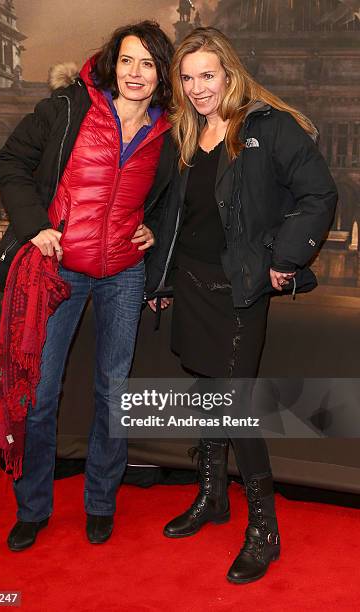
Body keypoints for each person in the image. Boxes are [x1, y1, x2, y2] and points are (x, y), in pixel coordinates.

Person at [145, 27, 337, 584]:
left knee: (234, 406)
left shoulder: (268, 127)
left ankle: (265, 528)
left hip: (241, 290)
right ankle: (212, 497)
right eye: (187, 78)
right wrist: (156, 263)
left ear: (229, 73)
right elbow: (174, 214)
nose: (198, 88)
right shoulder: (183, 133)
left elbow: (319, 195)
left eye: (208, 75)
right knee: (207, 395)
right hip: (193, 286)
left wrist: (286, 257)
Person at [0, 21, 174, 551]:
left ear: (161, 72)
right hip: (60, 269)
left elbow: (170, 198)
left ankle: (100, 501)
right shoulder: (70, 109)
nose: (136, 73)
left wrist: (153, 227)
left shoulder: (168, 132)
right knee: (41, 396)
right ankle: (33, 507)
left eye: (148, 63)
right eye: (127, 61)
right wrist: (35, 225)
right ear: (112, 63)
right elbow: (12, 162)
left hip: (123, 273)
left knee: (114, 395)